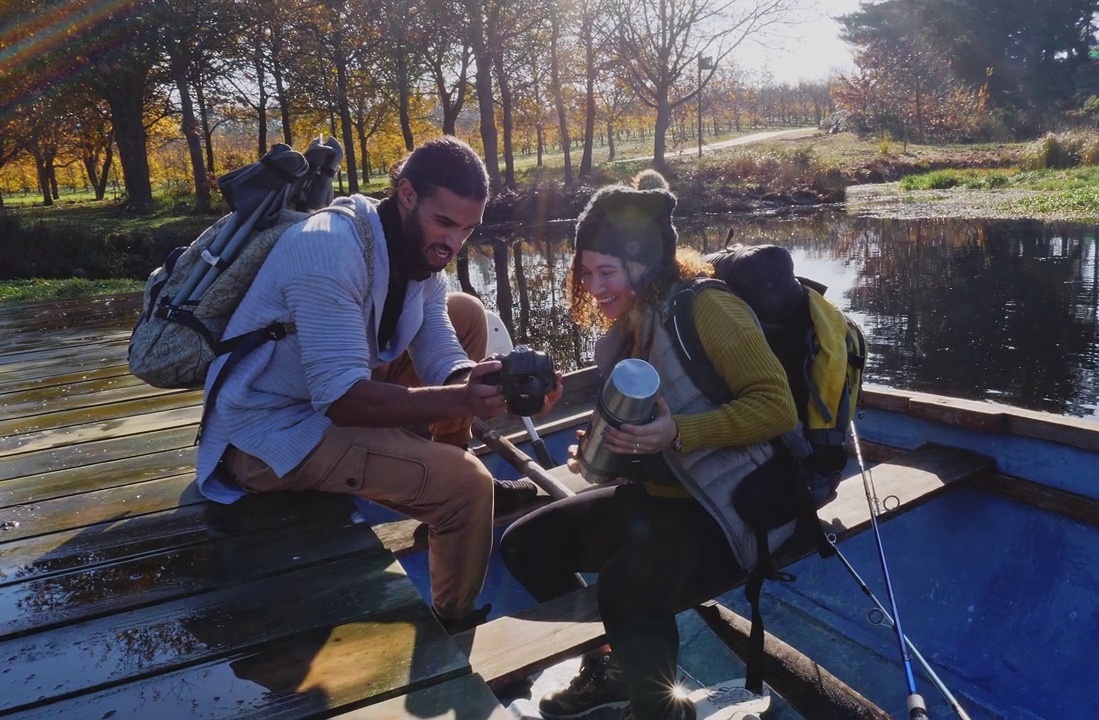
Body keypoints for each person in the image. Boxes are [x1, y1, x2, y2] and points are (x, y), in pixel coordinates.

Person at [194, 136, 551, 633]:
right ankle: (454, 619)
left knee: (467, 312)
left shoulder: (412, 248)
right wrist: (462, 398)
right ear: (407, 194)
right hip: (269, 432)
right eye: (444, 223)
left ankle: (443, 491)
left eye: (467, 230)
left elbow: (440, 348)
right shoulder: (329, 249)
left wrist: (480, 381)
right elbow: (342, 400)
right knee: (467, 486)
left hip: (326, 392)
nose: (453, 244)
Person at [499, 170, 797, 720]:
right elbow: (652, 433)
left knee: (626, 587)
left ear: (646, 264)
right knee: (526, 546)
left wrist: (679, 433)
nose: (595, 286)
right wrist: (608, 452)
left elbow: (778, 408)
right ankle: (612, 667)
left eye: (606, 271)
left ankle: (660, 712)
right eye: (585, 271)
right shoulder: (632, 325)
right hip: (670, 497)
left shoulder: (708, 309)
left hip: (741, 506)